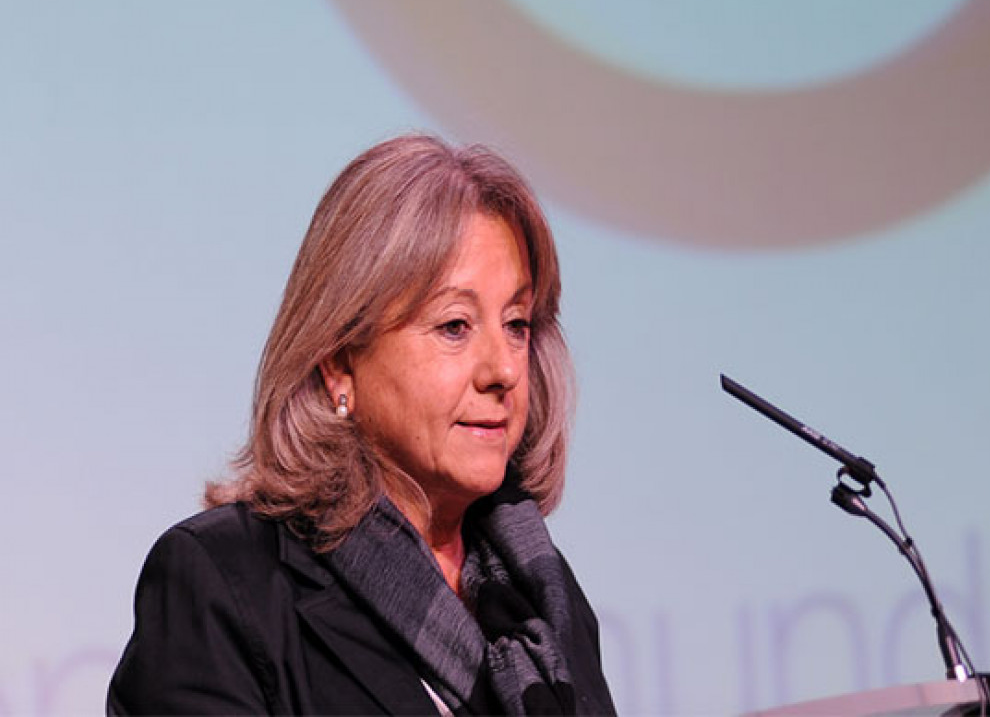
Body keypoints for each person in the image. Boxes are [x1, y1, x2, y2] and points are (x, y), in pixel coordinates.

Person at [108, 134, 616, 716]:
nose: (503, 370)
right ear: (340, 362)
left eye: (517, 325)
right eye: (454, 326)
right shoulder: (223, 584)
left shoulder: (542, 596)